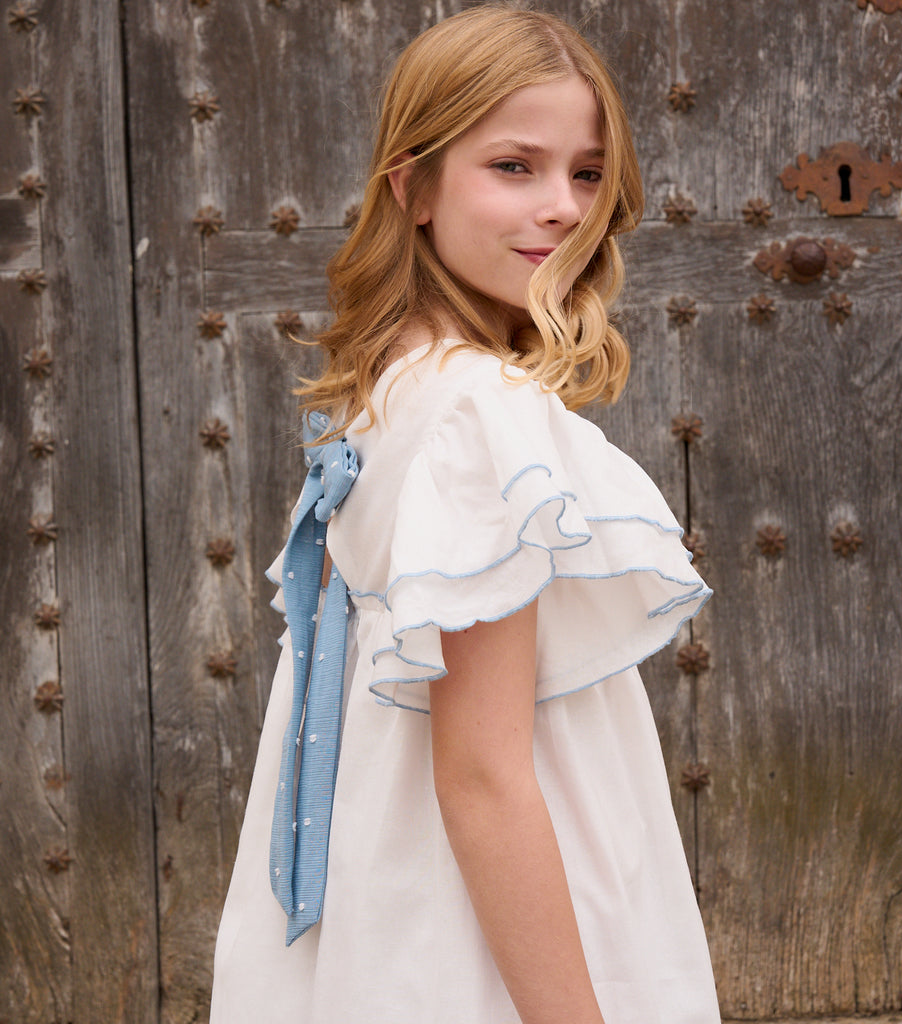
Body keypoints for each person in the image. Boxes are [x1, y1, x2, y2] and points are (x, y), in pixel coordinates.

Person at [211, 6, 720, 1023]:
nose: (563, 208)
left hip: (386, 898)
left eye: (584, 173)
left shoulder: (394, 383)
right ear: (414, 187)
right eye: (513, 166)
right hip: (496, 942)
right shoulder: (477, 414)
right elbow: (484, 778)